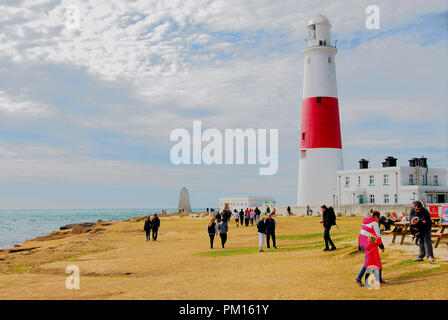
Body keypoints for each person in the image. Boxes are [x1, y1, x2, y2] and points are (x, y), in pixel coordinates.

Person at [355, 210, 386, 287]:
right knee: (369, 263)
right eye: (378, 218)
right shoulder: (374, 223)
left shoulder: (365, 221)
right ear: (376, 217)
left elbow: (360, 234)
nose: (378, 219)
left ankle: (378, 279)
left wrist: (359, 245)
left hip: (363, 243)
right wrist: (381, 246)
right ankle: (359, 278)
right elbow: (378, 236)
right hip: (368, 245)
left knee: (373, 262)